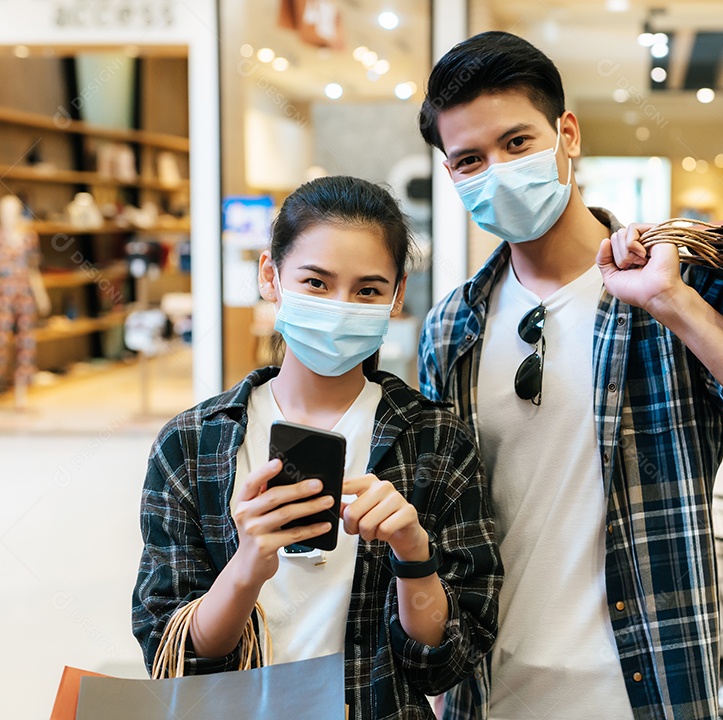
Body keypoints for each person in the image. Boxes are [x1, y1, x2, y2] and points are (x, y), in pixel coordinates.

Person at [417, 31, 723, 719]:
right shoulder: (451, 328)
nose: (498, 171)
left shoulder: (680, 284)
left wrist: (677, 306)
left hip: (641, 687)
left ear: (567, 134)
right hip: (486, 693)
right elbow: (445, 530)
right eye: (470, 159)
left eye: (517, 143)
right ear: (451, 175)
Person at [133, 176, 501, 719]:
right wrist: (246, 567)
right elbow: (173, 658)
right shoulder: (191, 444)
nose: (340, 307)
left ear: (397, 295)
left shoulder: (434, 441)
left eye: (368, 290)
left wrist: (412, 553)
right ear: (270, 276)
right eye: (316, 283)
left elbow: (443, 666)